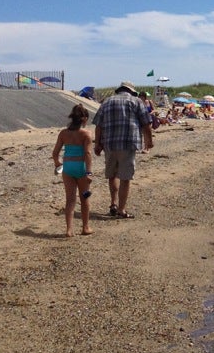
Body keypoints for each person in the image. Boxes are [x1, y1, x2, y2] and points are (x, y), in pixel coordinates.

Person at [92, 81, 153, 219]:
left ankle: (113, 204)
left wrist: (98, 144)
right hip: (128, 142)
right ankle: (121, 209)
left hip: (109, 143)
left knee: (112, 175)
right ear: (131, 91)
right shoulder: (136, 101)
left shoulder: (107, 102)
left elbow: (98, 125)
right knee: (125, 177)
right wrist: (149, 141)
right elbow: (146, 123)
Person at [52, 104, 94, 237]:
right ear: (84, 119)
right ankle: (85, 227)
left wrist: (58, 164)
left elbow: (55, 153)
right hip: (81, 167)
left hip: (68, 167)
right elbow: (87, 153)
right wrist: (88, 172)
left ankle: (69, 229)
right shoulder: (86, 134)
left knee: (70, 200)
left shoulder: (63, 133)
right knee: (84, 198)